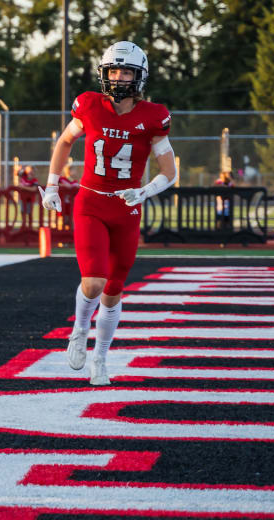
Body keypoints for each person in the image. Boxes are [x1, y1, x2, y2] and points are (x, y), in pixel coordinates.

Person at [41, 41, 178, 387]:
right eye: (113, 70)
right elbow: (64, 142)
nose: (118, 77)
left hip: (127, 209)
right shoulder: (89, 105)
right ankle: (79, 330)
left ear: (139, 76)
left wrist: (144, 191)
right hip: (91, 203)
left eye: (125, 71)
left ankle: (100, 358)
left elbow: (170, 171)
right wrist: (52, 185)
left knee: (114, 290)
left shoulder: (153, 116)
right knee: (94, 281)